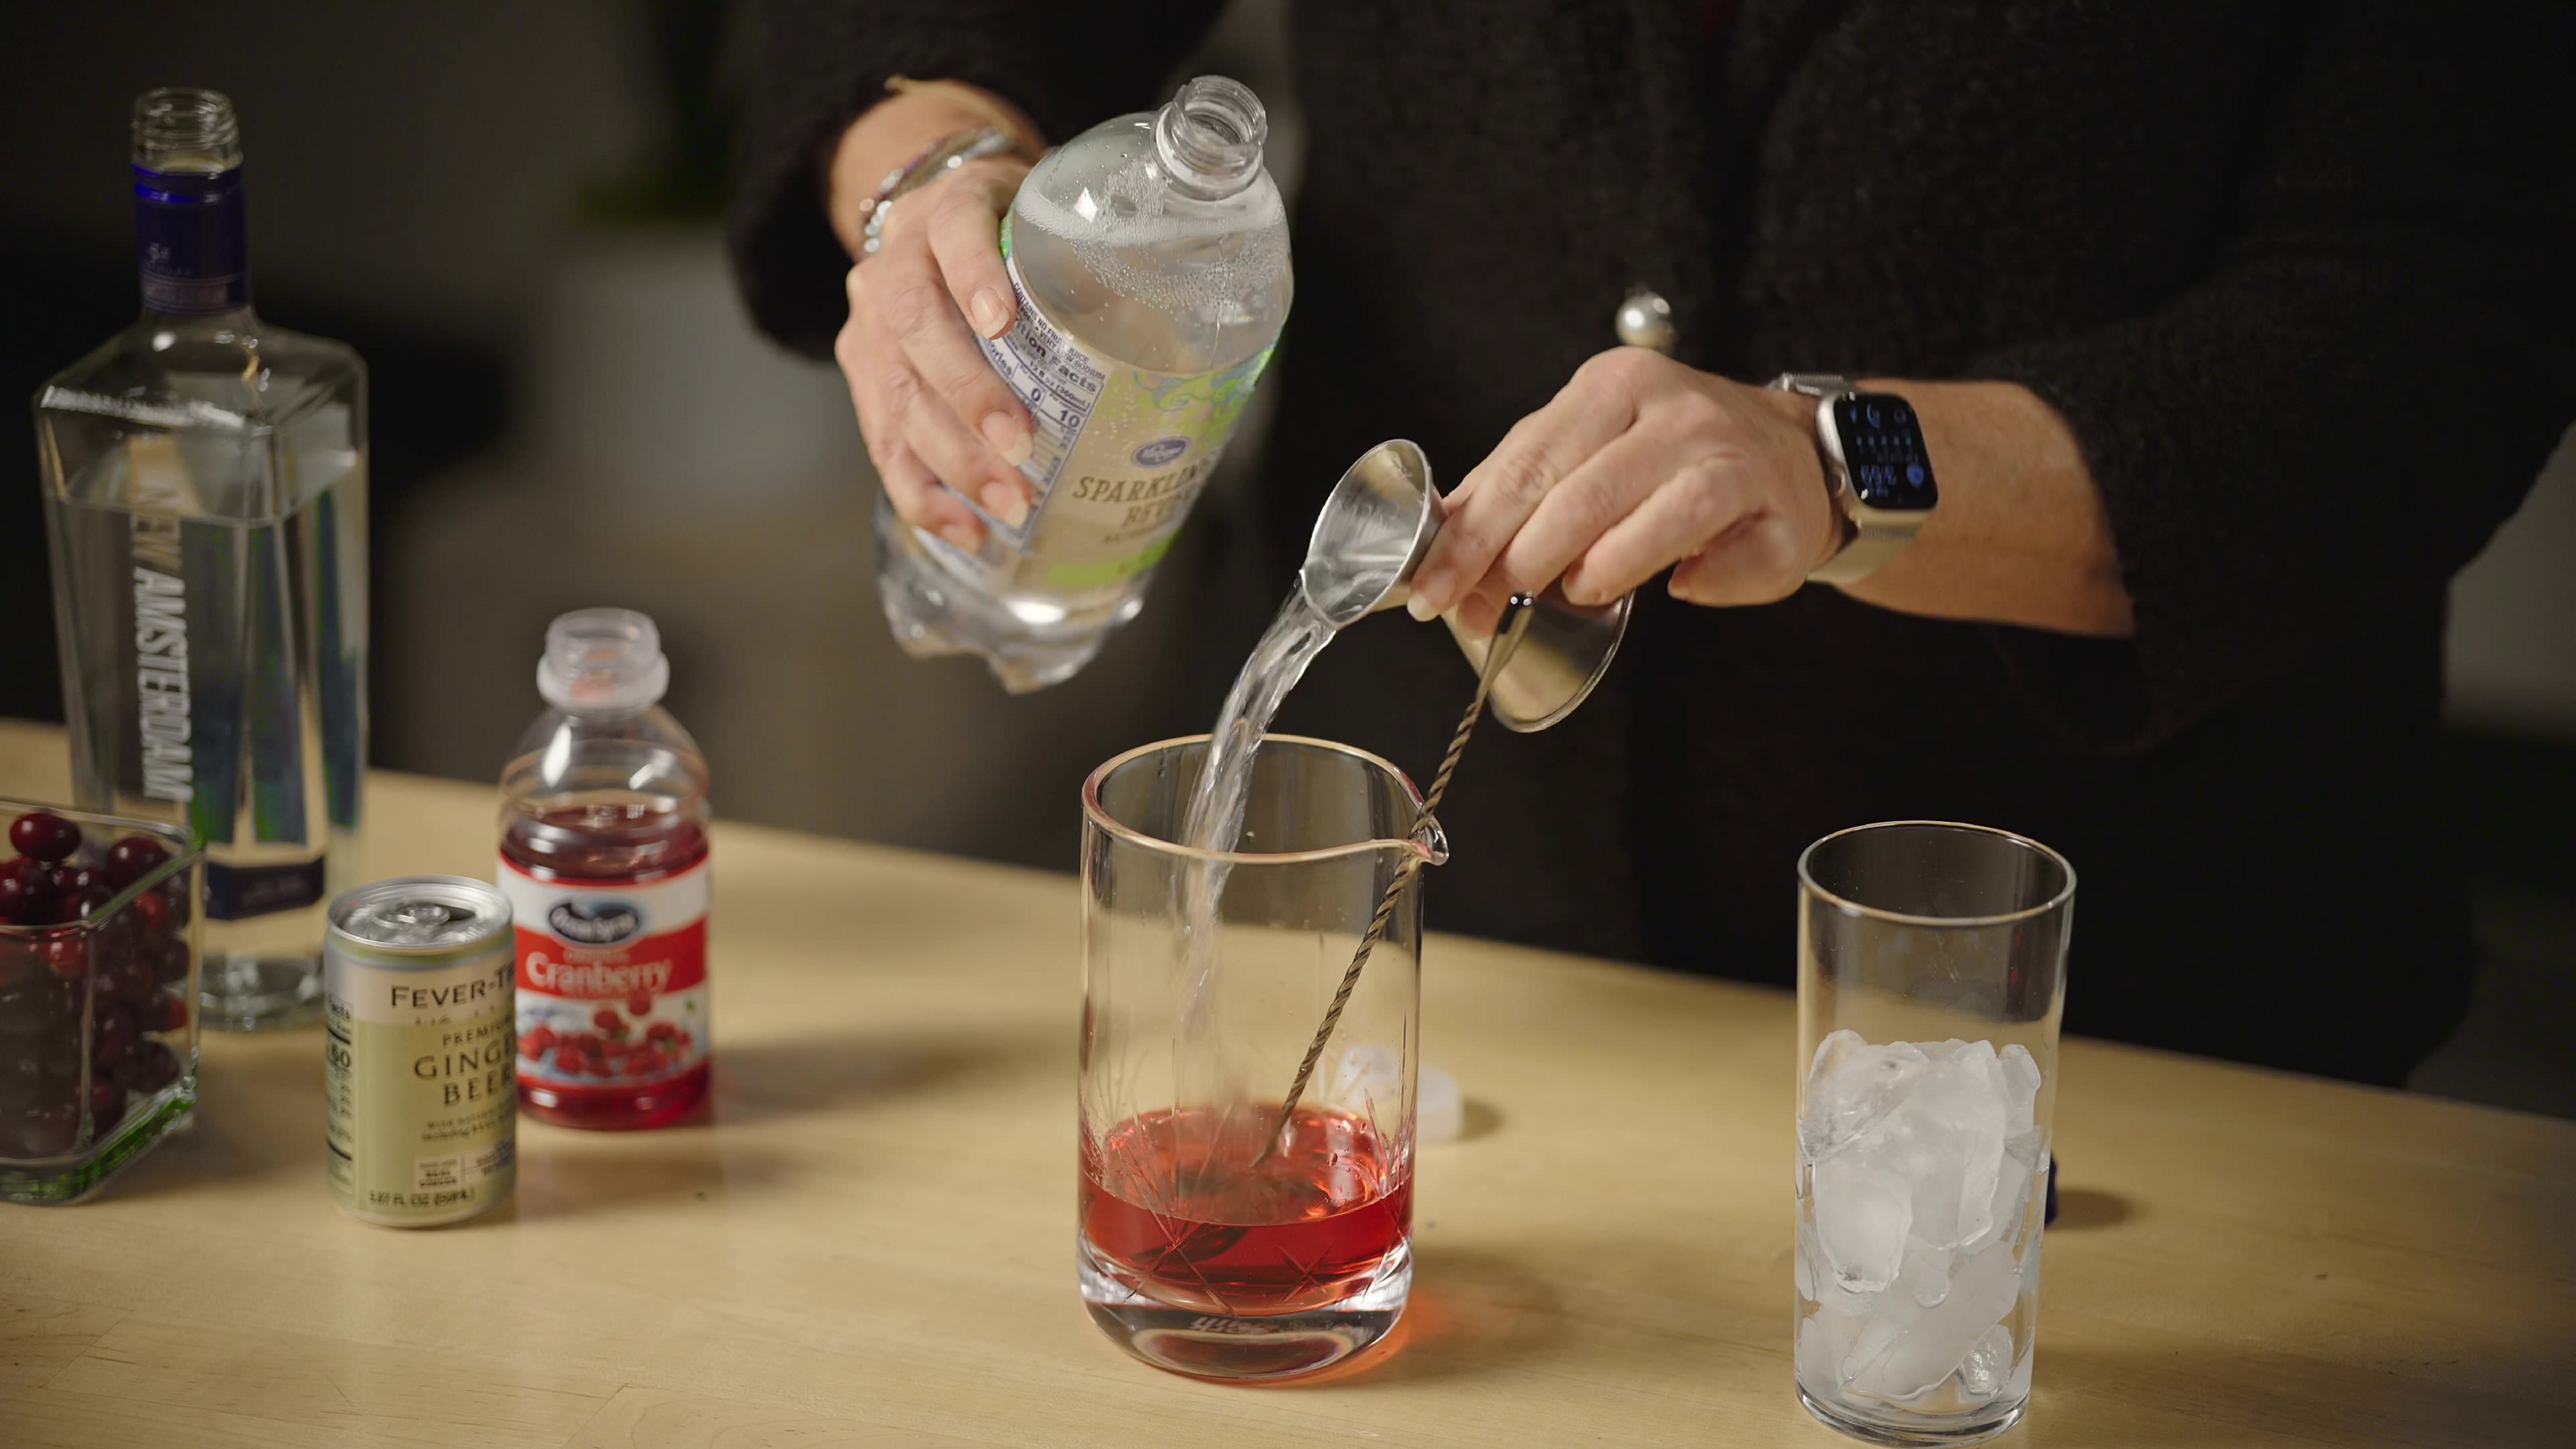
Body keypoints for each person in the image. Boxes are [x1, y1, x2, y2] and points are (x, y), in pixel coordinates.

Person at [730, 2, 2576, 1087]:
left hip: (2104, 1024)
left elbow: (2427, 329)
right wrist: (925, 173)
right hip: (1427, 953)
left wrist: (1847, 464)